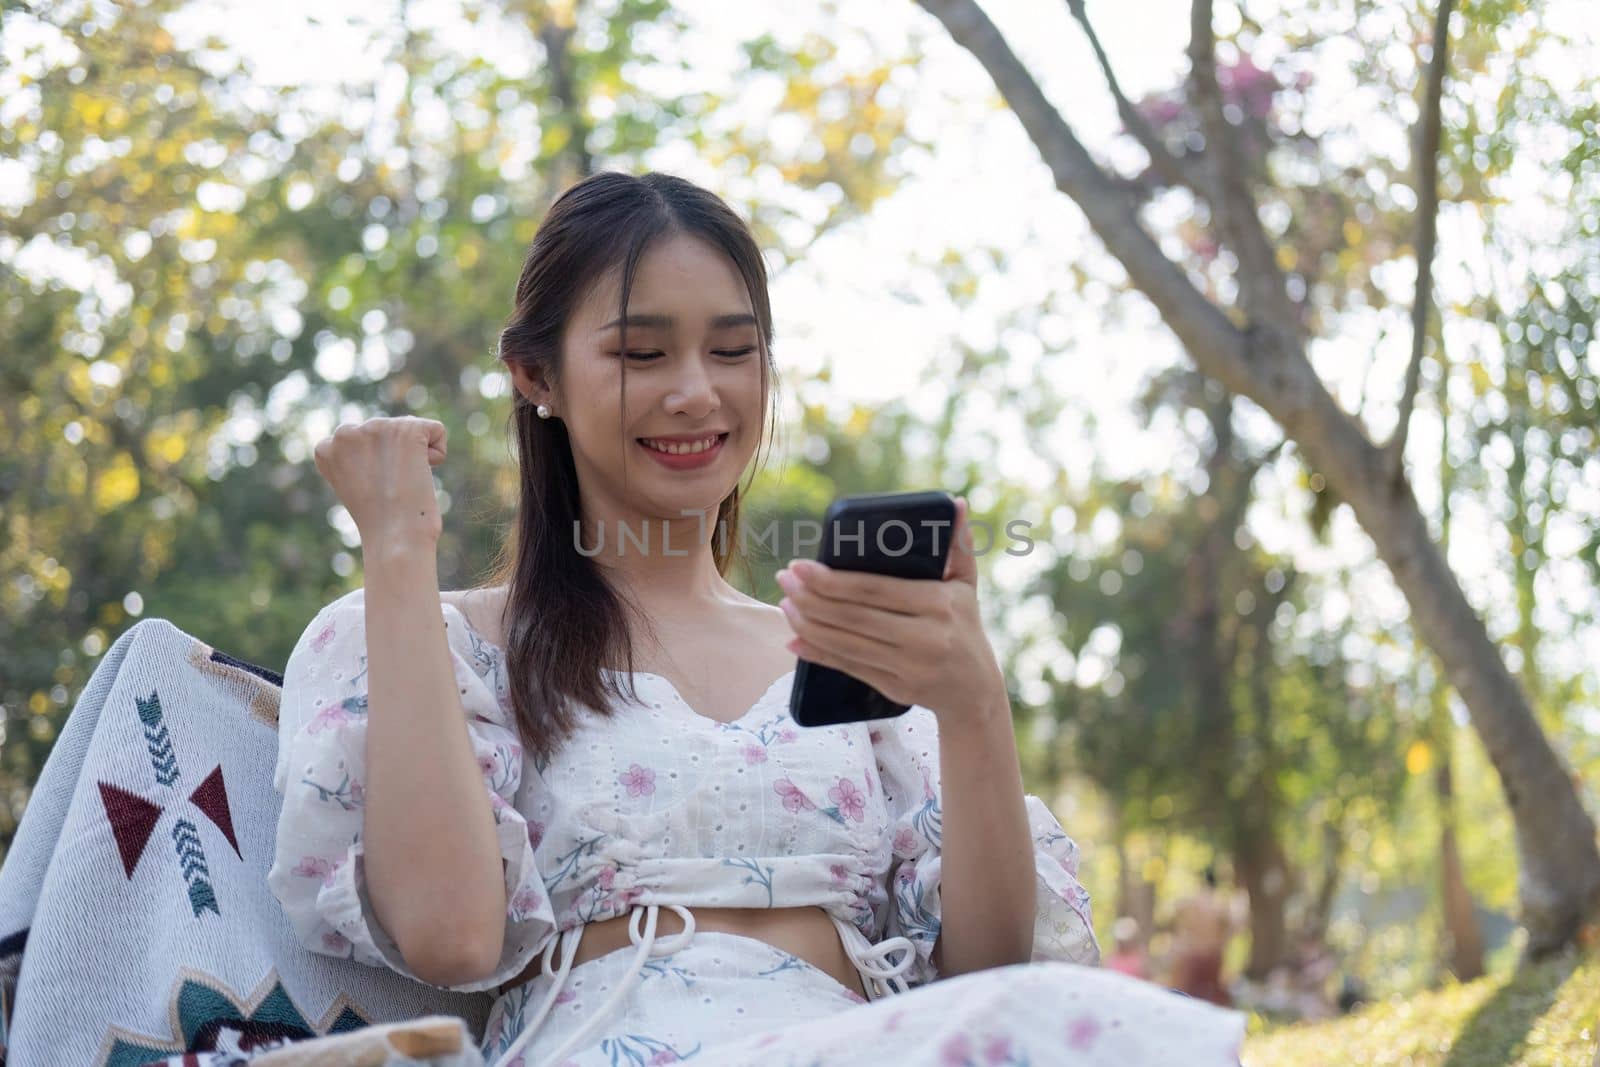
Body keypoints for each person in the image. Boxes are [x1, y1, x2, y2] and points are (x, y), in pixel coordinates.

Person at [267, 170, 1247, 1066]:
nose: (696, 391)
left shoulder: (843, 655)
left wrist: (971, 703)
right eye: (640, 351)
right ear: (536, 378)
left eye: (733, 350)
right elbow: (450, 934)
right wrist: (398, 549)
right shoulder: (445, 645)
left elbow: (987, 979)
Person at [1169, 866, 1236, 1006]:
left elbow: (1178, 919)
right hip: (1211, 954)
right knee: (1209, 999)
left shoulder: (1190, 902)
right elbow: (1230, 927)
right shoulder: (1220, 904)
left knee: (1186, 997)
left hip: (1193, 954)